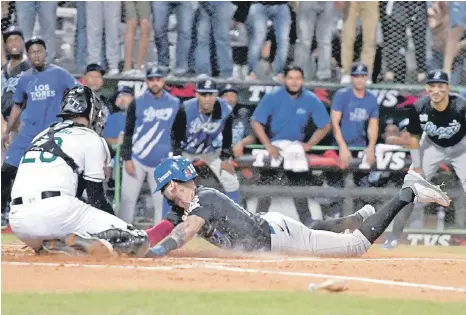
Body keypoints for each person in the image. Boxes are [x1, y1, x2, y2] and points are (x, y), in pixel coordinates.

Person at [144, 157, 450, 257]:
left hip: (278, 237)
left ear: (171, 185)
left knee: (355, 247)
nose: (165, 194)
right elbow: (163, 229)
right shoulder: (185, 207)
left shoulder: (204, 199)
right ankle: (353, 217)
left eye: (164, 189)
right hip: (270, 228)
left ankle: (408, 192)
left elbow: (188, 229)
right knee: (311, 234)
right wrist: (138, 241)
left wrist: (160, 251)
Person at [9, 86, 149, 257]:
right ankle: (77, 240)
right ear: (91, 111)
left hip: (19, 222)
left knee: (69, 212)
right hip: (55, 214)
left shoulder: (41, 135)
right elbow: (96, 198)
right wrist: (114, 224)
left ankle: (58, 244)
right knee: (139, 240)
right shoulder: (90, 137)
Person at [383, 70, 466, 248]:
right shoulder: (419, 106)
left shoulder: (461, 105)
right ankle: (394, 237)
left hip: (460, 146)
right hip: (432, 146)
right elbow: (413, 137)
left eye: (440, 86)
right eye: (432, 86)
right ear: (427, 88)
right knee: (411, 187)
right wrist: (418, 165)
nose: (436, 90)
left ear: (448, 88)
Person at [1, 37, 77, 227]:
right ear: (29, 55)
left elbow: (78, 93)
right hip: (29, 132)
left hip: (53, 133)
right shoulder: (26, 78)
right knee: (7, 170)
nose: (36, 55)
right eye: (33, 52)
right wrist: (7, 131)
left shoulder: (60, 74)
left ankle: (57, 217)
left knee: (49, 176)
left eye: (39, 51)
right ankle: (4, 212)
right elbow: (18, 105)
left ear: (46, 53)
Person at [250, 65, 331, 224]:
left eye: (298, 78)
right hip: (275, 145)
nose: (294, 82)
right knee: (267, 183)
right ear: (284, 79)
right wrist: (268, 145)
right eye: (291, 78)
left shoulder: (310, 98)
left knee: (298, 184)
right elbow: (255, 122)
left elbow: (326, 125)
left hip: (295, 147)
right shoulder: (273, 96)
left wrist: (309, 144)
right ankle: (257, 222)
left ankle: (307, 222)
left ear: (302, 80)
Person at [118, 68, 181, 225]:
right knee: (127, 201)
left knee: (162, 203)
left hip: (163, 161)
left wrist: (176, 158)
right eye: (151, 79)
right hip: (137, 159)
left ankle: (160, 239)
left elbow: (179, 133)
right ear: (146, 81)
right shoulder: (137, 102)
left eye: (158, 79)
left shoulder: (175, 103)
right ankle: (122, 235)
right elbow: (128, 132)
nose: (155, 82)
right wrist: (127, 158)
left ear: (164, 81)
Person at [171, 77, 240, 203]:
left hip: (211, 151)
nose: (207, 98)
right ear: (197, 94)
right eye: (203, 94)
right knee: (173, 182)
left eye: (211, 94)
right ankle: (169, 218)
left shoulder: (225, 110)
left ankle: (235, 217)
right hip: (186, 150)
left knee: (231, 180)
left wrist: (225, 158)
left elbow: (227, 136)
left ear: (216, 95)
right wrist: (177, 157)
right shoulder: (186, 109)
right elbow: (175, 134)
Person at [327, 63, 379, 217]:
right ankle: (334, 217)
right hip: (339, 146)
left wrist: (370, 147)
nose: (359, 80)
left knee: (364, 186)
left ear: (366, 78)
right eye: (356, 76)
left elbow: (373, 125)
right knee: (336, 186)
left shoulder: (371, 98)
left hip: (359, 146)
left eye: (362, 76)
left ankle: (362, 219)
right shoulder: (342, 95)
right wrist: (342, 146)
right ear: (351, 78)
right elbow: (334, 123)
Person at [1, 27, 30, 159]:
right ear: (6, 46)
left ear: (23, 42)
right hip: (5, 124)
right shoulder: (3, 69)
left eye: (17, 40)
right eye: (10, 41)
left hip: (25, 123)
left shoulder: (31, 67)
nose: (14, 44)